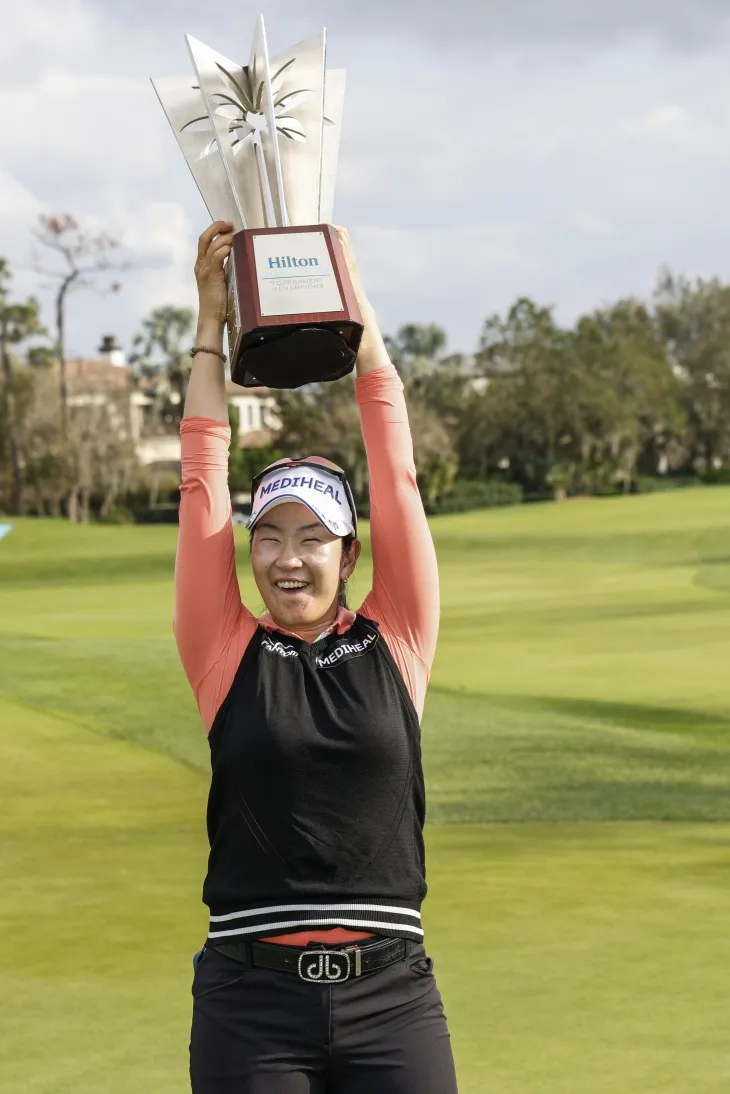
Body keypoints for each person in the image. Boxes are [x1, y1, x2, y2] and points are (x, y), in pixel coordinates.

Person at [176, 220, 459, 1093]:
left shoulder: (396, 638)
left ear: (350, 553)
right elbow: (200, 474)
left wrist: (355, 308)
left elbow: (395, 468)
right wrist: (211, 316)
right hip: (250, 1004)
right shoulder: (225, 650)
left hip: (392, 998)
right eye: (267, 537)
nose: (287, 558)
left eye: (312, 537)